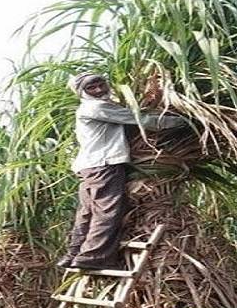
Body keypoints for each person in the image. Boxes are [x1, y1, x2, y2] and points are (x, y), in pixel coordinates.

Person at [58, 72, 183, 271]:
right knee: (108, 210)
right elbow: (141, 120)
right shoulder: (97, 107)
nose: (99, 89)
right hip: (104, 165)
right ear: (82, 92)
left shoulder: (88, 108)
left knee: (87, 213)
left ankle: (73, 254)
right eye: (91, 87)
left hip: (89, 167)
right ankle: (93, 257)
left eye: (101, 84)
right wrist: (184, 122)